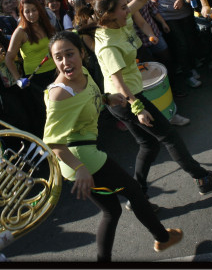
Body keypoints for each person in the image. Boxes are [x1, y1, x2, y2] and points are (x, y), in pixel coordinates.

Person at [94, 0, 212, 207]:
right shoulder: (107, 43)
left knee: (148, 144)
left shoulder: (119, 20)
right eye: (123, 7)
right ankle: (202, 178)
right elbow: (117, 82)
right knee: (169, 137)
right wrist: (137, 108)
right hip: (126, 99)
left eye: (127, 6)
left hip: (126, 98)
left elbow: (140, 1)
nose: (129, 9)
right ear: (110, 14)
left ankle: (137, 194)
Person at [44, 31, 183, 262]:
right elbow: (52, 142)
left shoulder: (83, 72)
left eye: (70, 54)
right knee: (134, 191)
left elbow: (90, 95)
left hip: (83, 156)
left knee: (112, 210)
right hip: (80, 157)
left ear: (81, 52)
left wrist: (107, 98)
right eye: (58, 58)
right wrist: (79, 168)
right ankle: (162, 237)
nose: (65, 62)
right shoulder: (60, 94)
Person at [143, 0, 203, 89]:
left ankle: (193, 66)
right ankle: (188, 74)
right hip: (168, 17)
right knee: (180, 44)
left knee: (189, 40)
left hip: (185, 12)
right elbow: (149, 1)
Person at [0, 20, 45, 136]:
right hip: (5, 92)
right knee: (21, 120)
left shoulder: (10, 41)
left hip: (23, 84)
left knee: (34, 114)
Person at [5, 0, 58, 91]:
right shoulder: (20, 32)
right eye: (27, 11)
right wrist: (18, 79)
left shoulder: (45, 25)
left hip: (56, 71)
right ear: (22, 13)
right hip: (37, 78)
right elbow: (9, 58)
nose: (31, 14)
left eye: (34, 10)